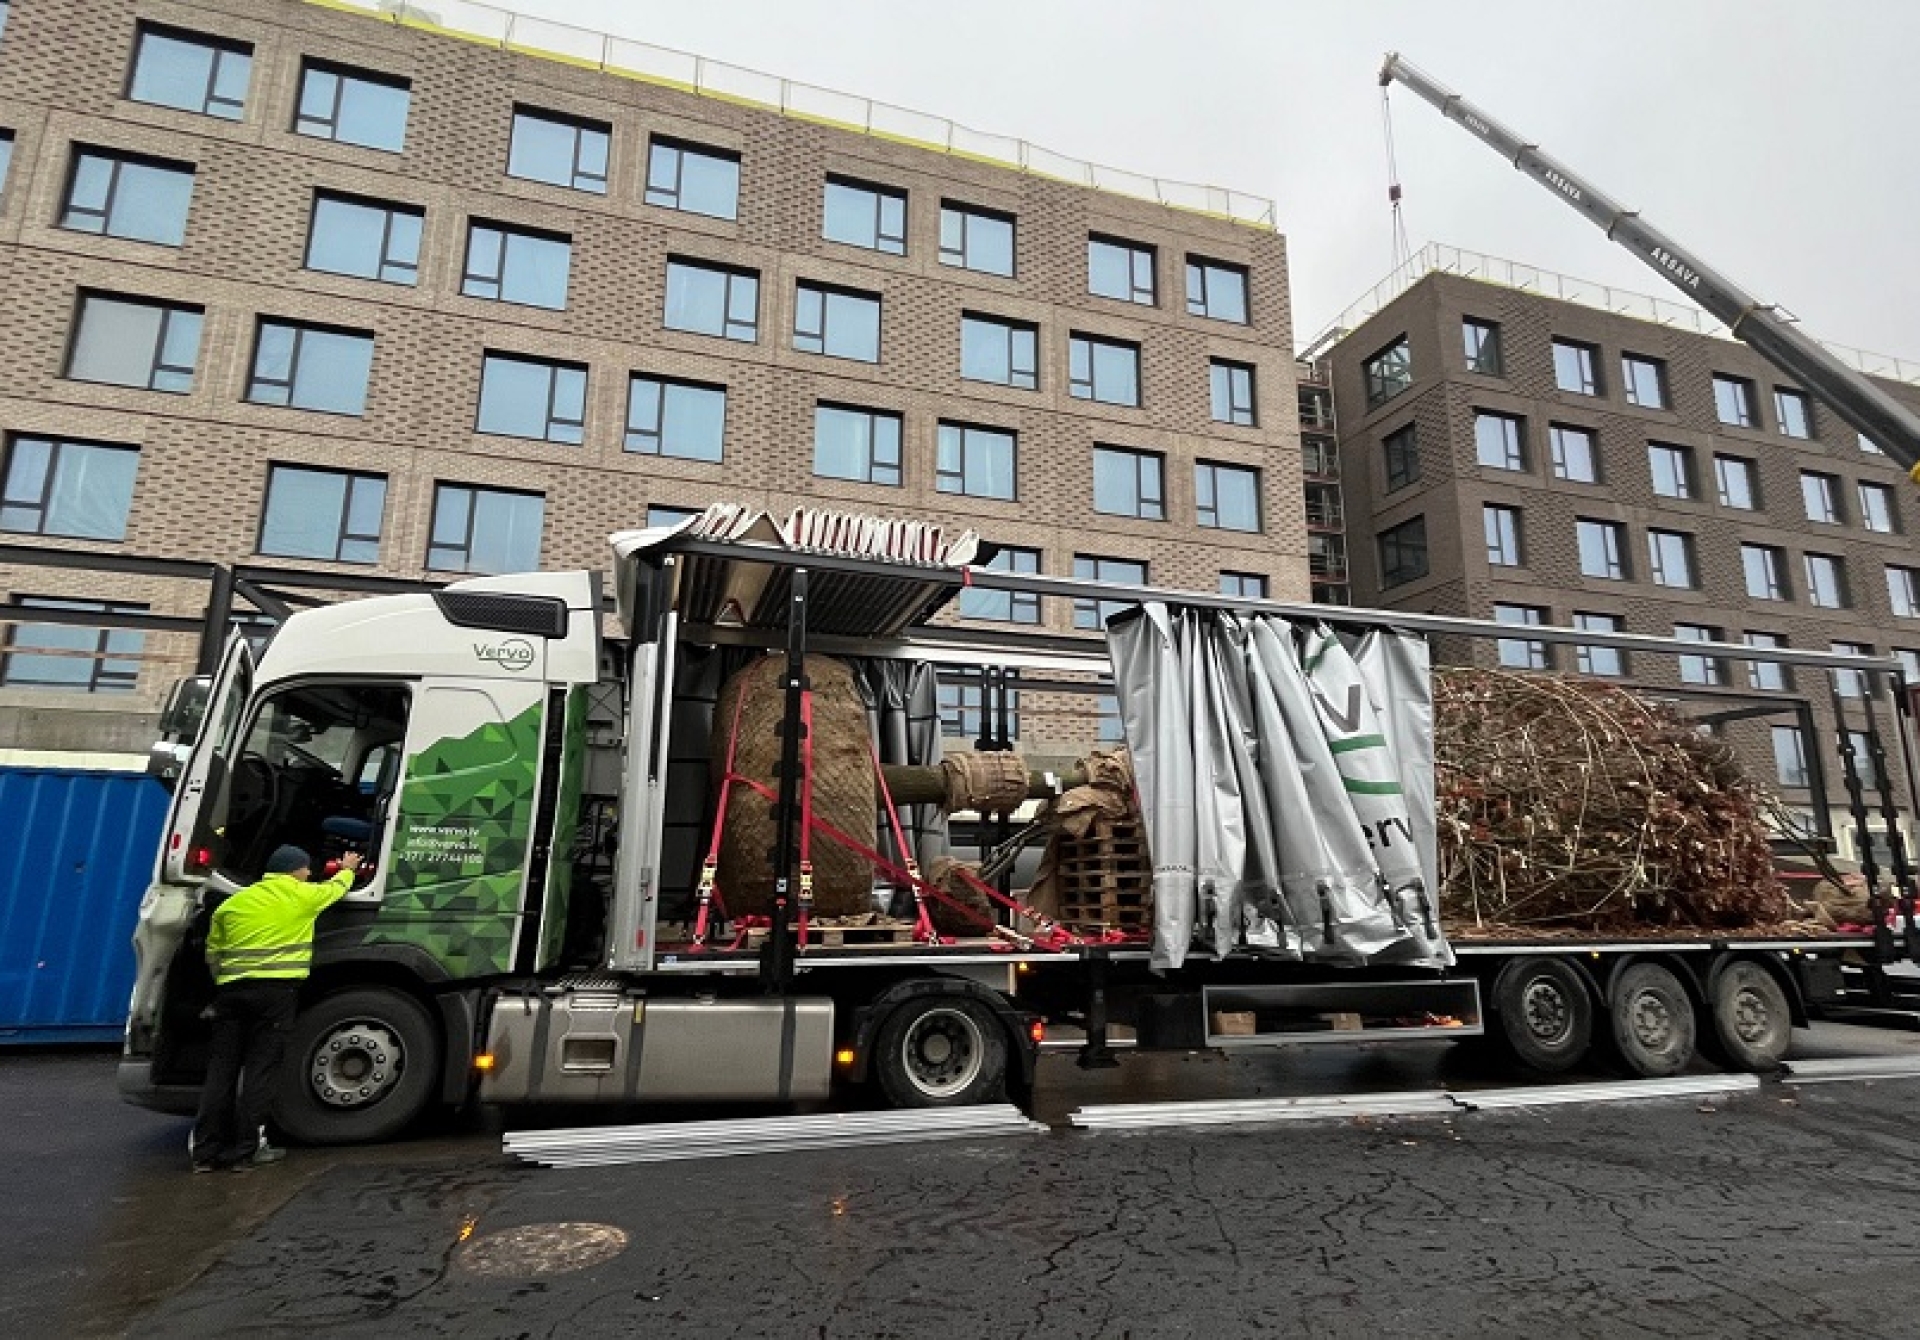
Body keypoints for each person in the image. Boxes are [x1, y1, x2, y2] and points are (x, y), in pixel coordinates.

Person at [190, 845, 361, 1172]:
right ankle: (246, 1151)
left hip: (231, 994)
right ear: (295, 870)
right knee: (260, 1070)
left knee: (220, 1072)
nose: (309, 873)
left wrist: (224, 988)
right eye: (306, 868)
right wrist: (349, 867)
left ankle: (205, 1153)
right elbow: (337, 889)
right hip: (276, 995)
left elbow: (213, 955)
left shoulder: (233, 904)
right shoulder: (303, 895)